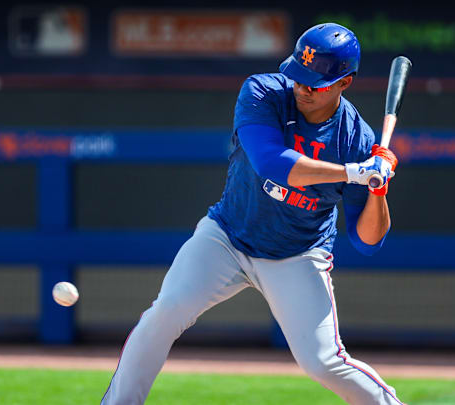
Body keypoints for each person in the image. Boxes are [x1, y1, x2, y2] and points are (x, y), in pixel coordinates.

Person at [101, 23, 403, 405]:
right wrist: (351, 172)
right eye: (298, 76)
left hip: (297, 253)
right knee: (166, 312)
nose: (302, 88)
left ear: (345, 83)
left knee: (323, 362)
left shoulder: (355, 141)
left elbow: (367, 241)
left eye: (315, 84)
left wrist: (376, 188)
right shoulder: (263, 91)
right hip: (227, 236)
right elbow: (271, 162)